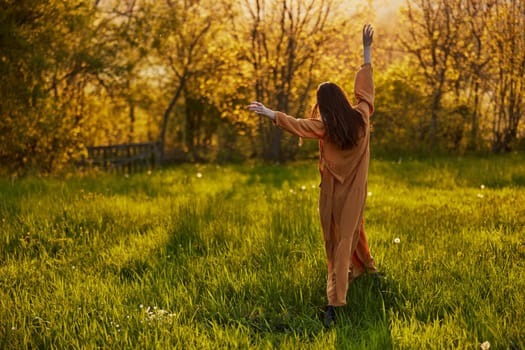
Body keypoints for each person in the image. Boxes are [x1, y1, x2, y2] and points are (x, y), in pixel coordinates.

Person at [248, 24, 379, 327]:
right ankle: (369, 271)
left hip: (333, 194)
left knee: (337, 243)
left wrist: (268, 112)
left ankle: (335, 303)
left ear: (324, 107)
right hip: (355, 192)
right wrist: (366, 49)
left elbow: (298, 125)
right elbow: (366, 90)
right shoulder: (361, 116)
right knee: (352, 231)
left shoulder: (325, 128)